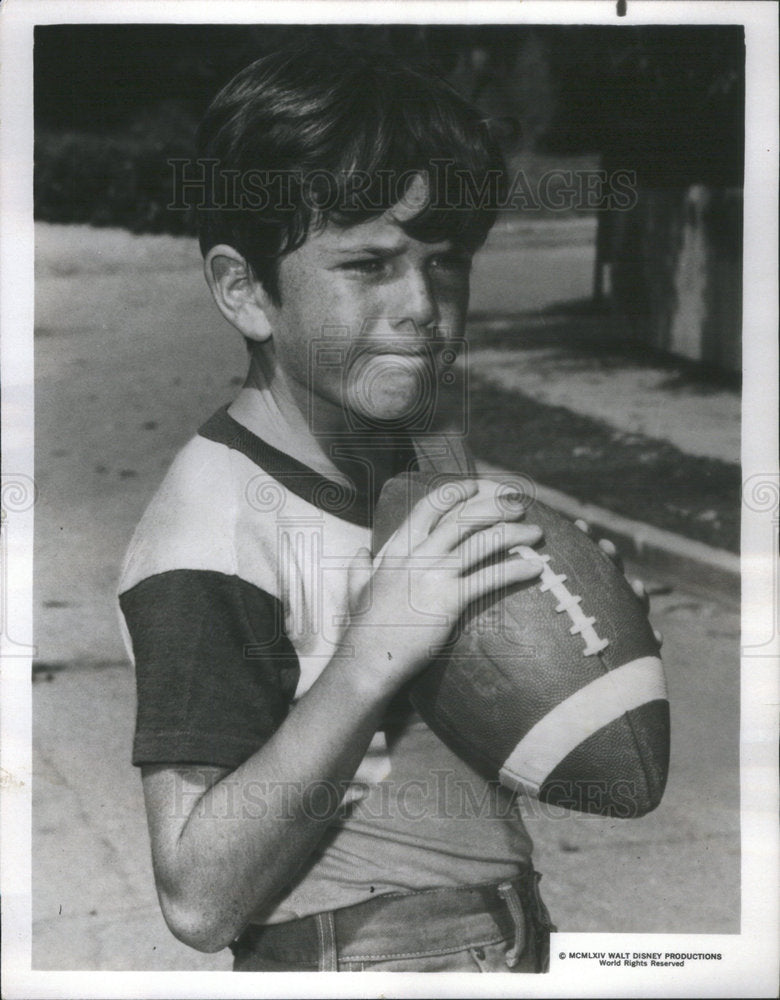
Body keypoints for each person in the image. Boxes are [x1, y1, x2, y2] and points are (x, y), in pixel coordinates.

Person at [118, 39, 558, 973]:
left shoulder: (416, 449)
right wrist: (370, 655)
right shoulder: (212, 532)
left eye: (446, 262)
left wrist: (572, 641)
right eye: (368, 264)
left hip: (498, 932)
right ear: (246, 291)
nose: (422, 305)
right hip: (360, 958)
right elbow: (196, 897)